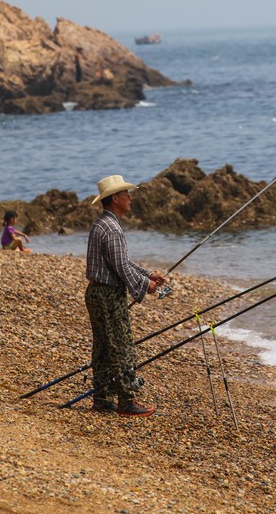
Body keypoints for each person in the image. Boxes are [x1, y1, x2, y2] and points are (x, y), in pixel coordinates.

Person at [86, 174, 166, 416]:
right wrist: (145, 286)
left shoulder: (104, 223)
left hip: (98, 294)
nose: (130, 198)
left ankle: (102, 398)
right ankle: (126, 401)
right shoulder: (111, 228)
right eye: (125, 194)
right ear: (114, 199)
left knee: (103, 348)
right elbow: (120, 267)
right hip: (107, 296)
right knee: (122, 347)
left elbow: (122, 262)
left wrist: (147, 275)